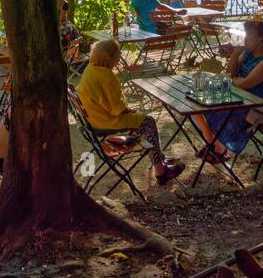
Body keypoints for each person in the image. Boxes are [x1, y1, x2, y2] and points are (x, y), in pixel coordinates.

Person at [77, 39, 185, 184]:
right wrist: (127, 109)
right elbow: (116, 109)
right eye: (118, 54)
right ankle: (161, 171)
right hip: (108, 123)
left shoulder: (90, 69)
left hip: (94, 120)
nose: (120, 56)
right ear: (110, 58)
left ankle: (160, 158)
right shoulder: (106, 76)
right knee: (148, 121)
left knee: (142, 119)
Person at [192, 20, 263, 163]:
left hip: (251, 106)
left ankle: (216, 148)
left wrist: (234, 80)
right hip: (235, 97)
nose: (245, 40)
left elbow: (245, 84)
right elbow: (229, 74)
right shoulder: (249, 54)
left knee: (211, 107)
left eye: (249, 37)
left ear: (260, 38)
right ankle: (213, 144)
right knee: (196, 100)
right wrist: (236, 53)